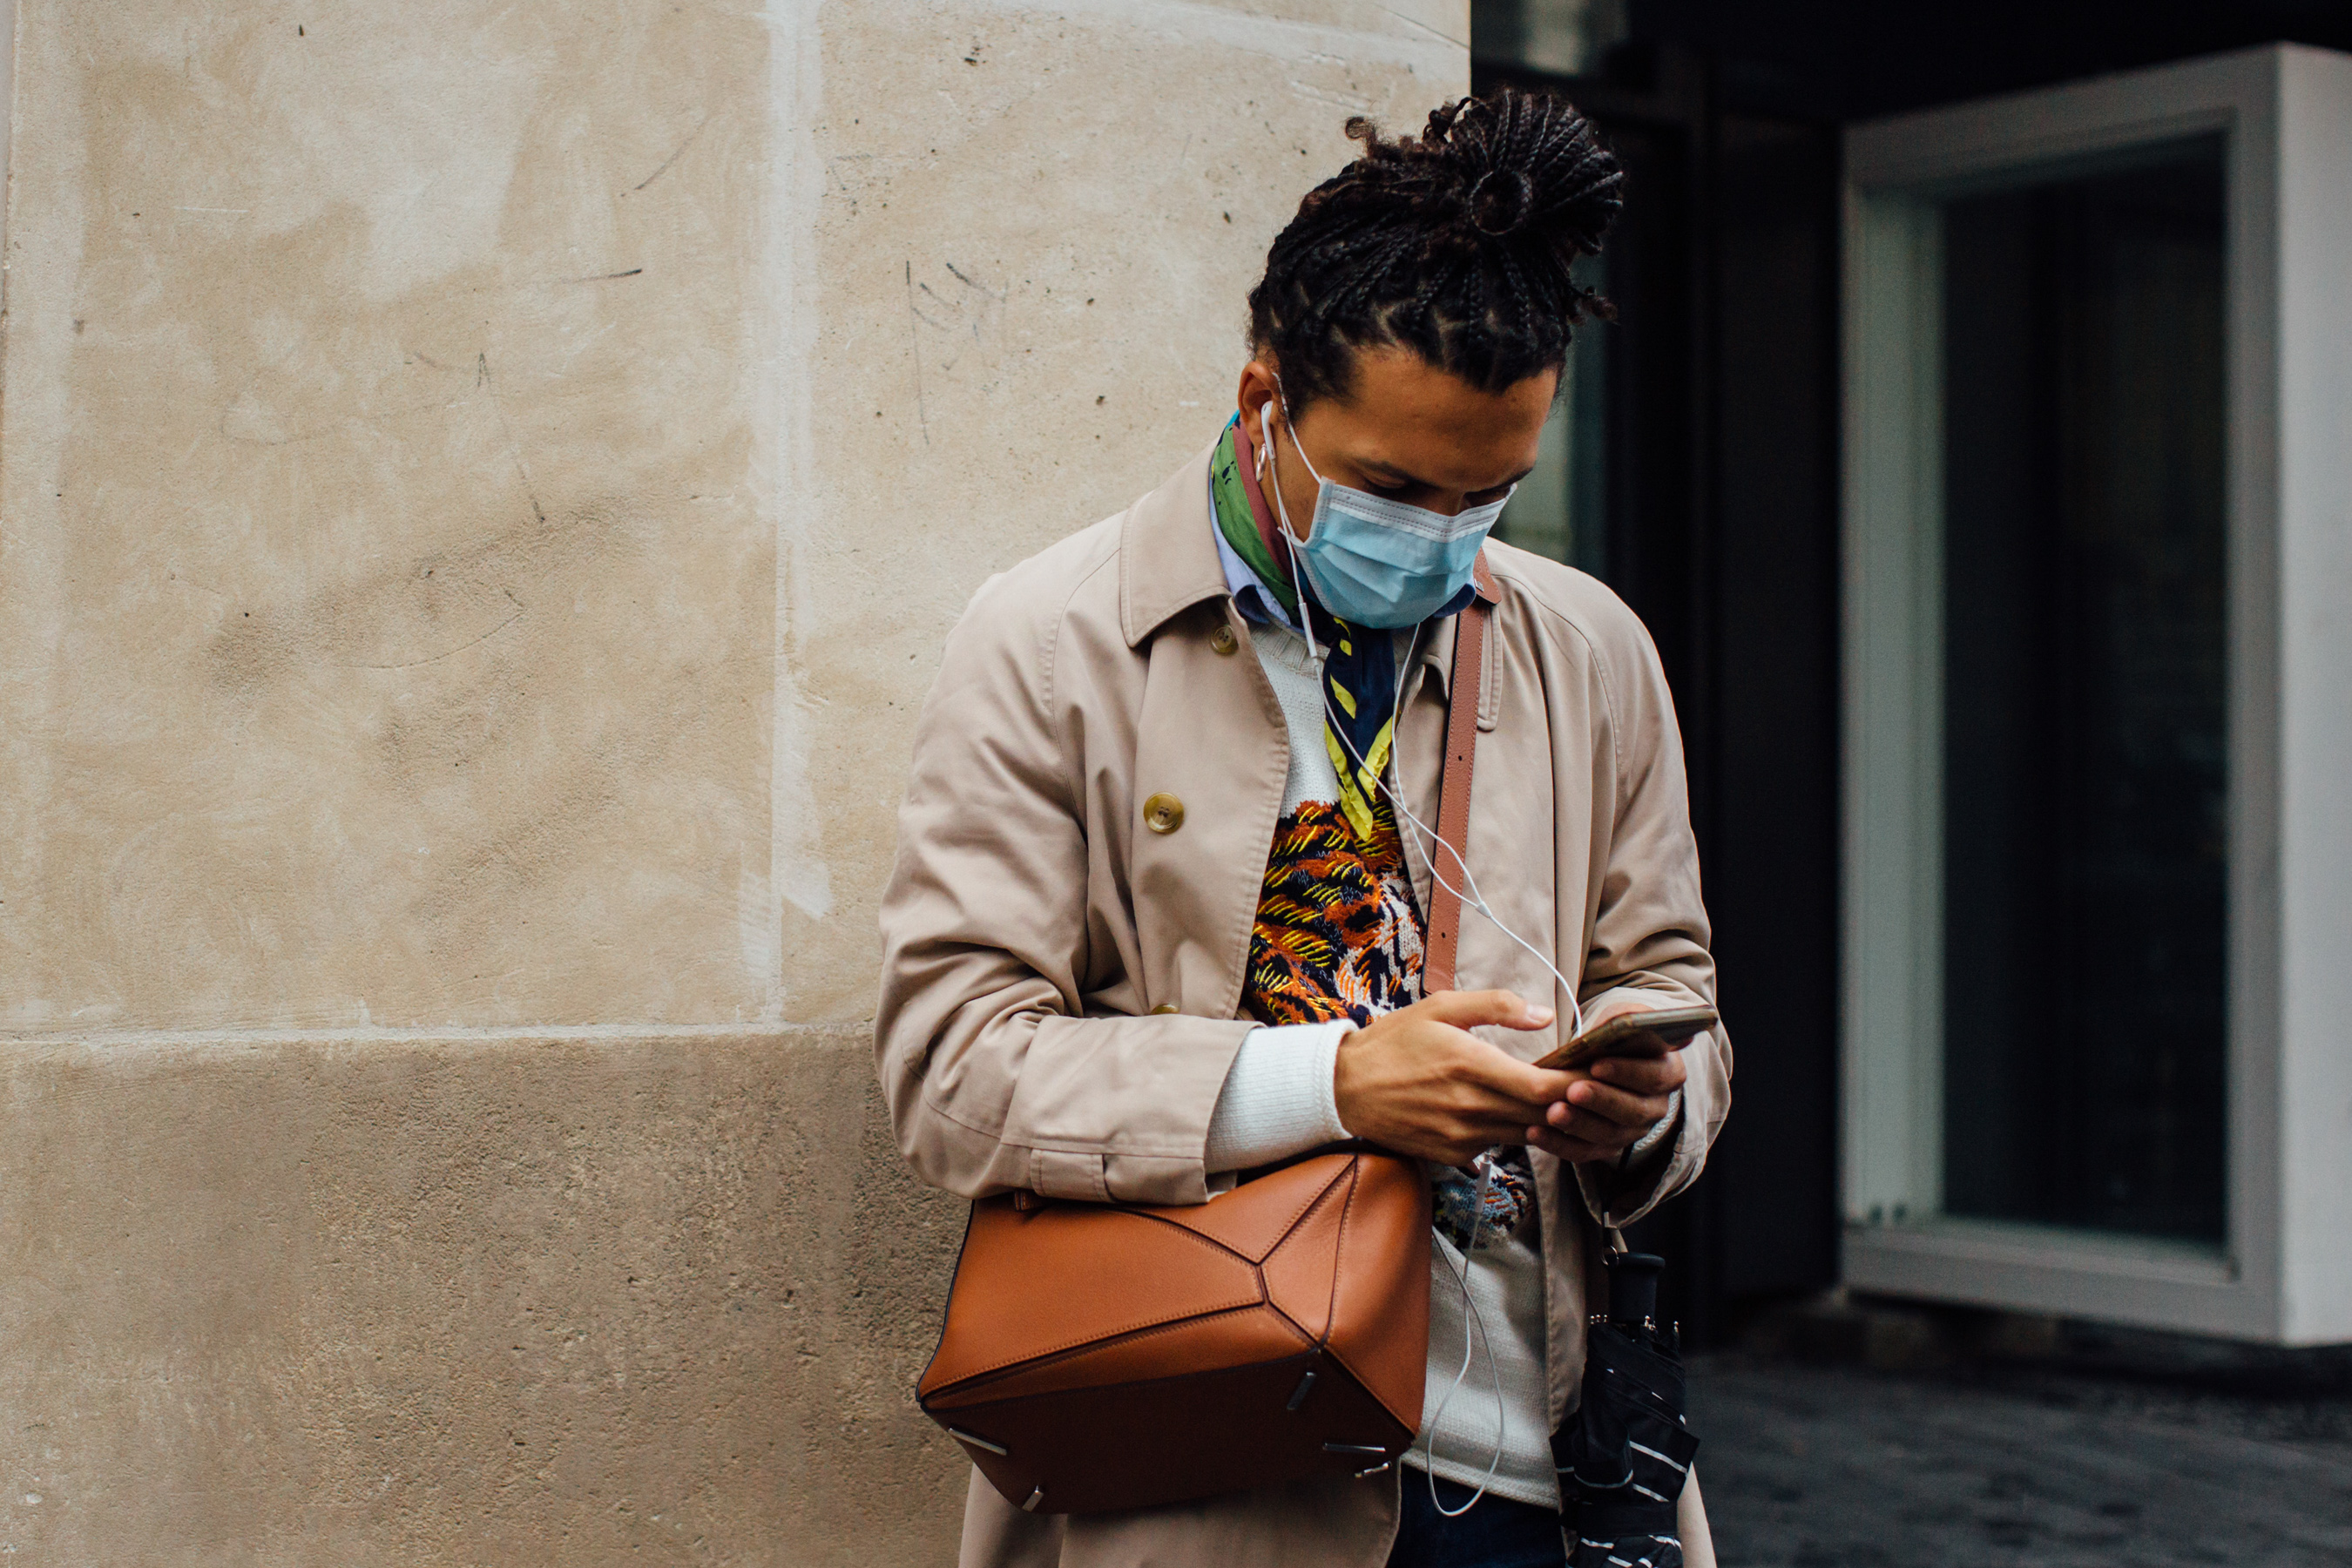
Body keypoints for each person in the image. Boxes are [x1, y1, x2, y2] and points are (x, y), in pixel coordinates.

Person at [875, 87, 1729, 1568]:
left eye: (1494, 494)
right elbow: (952, 1071)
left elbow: (1682, 1001)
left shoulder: (1588, 650)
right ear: (1263, 398)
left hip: (1556, 1483)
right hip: (1215, 1479)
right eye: (1397, 487)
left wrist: (1646, 1103)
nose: (1448, 532)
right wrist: (1334, 1083)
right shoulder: (1052, 641)